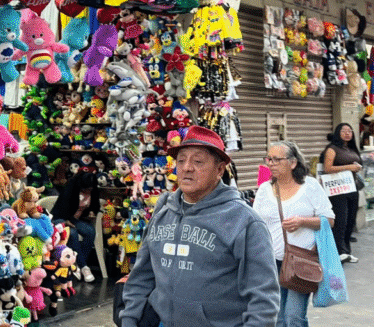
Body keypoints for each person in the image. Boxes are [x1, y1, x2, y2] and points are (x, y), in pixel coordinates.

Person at [119, 126, 280, 327]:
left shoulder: (244, 221)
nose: (186, 167)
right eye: (181, 160)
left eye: (198, 161)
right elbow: (141, 277)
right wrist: (129, 319)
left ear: (220, 169)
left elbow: (263, 299)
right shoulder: (163, 213)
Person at [254, 141, 335, 327]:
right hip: (271, 262)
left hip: (302, 261)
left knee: (294, 317)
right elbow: (256, 224)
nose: (271, 164)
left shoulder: (310, 186)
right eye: (269, 159)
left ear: (292, 163)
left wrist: (302, 221)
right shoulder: (264, 190)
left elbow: (329, 220)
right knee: (278, 318)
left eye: (276, 159)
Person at [320, 123, 362, 263]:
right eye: (344, 131)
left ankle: (346, 251)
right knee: (340, 221)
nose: (347, 133)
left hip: (352, 188)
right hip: (337, 191)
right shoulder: (332, 149)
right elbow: (327, 168)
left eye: (350, 131)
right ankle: (338, 252)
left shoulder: (351, 148)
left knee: (351, 220)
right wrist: (349, 167)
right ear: (338, 133)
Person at [50, 171, 100, 283]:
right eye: (85, 189)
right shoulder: (70, 189)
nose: (87, 191)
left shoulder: (94, 191)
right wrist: (68, 221)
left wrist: (92, 212)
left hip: (77, 219)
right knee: (72, 233)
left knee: (90, 232)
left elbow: (96, 205)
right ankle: (84, 267)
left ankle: (77, 264)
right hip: (62, 218)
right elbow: (62, 210)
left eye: (90, 189)